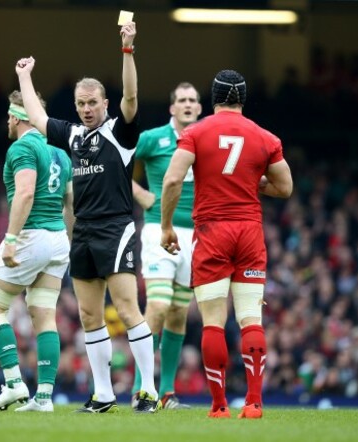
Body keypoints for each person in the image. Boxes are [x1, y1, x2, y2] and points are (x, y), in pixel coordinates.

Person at [15, 21, 160, 413]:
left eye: (92, 102)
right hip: (82, 232)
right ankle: (103, 393)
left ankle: (148, 390)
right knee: (88, 314)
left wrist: (128, 51)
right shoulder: (75, 136)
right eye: (81, 104)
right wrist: (24, 77)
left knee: (128, 309)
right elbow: (38, 118)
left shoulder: (120, 133)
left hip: (116, 228)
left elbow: (131, 95)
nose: (86, 109)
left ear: (104, 104)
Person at [160, 69, 293, 419]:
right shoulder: (265, 137)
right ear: (243, 99)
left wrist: (166, 226)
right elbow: (285, 187)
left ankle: (219, 405)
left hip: (212, 232)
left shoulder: (195, 133)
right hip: (249, 231)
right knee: (251, 320)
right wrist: (254, 182)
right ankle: (254, 402)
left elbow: (173, 179)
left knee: (214, 323)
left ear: (214, 97)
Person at [0, 90, 73, 412]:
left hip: (31, 237)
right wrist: (67, 242)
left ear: (18, 116)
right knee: (44, 315)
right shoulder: (60, 151)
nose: (7, 122)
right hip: (59, 239)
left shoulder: (21, 147)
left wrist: (10, 239)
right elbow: (70, 204)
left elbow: (25, 193)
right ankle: (44, 397)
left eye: (9, 116)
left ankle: (15, 384)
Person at [130, 82, 202, 410]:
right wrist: (142, 194)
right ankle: (140, 389)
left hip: (197, 236)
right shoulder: (153, 138)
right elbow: (117, 160)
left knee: (177, 313)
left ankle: (168, 392)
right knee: (157, 306)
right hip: (161, 230)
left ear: (199, 108)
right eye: (181, 100)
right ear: (172, 108)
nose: (187, 104)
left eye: (193, 100)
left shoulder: (208, 139)